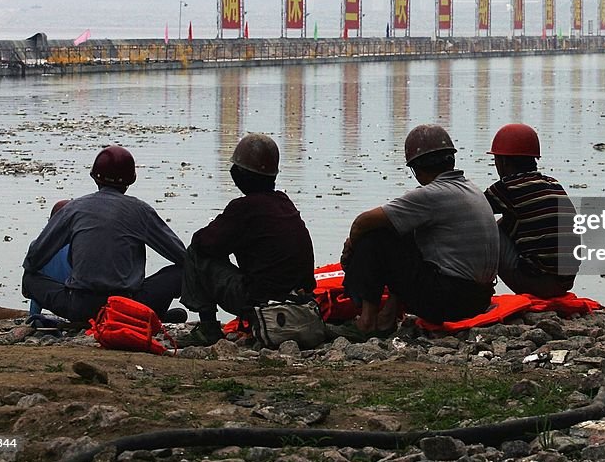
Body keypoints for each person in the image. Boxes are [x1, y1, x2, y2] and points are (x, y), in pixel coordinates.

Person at [337, 124, 498, 339]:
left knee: (375, 236)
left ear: (417, 168)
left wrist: (351, 250)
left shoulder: (432, 194)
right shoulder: (471, 189)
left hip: (449, 301)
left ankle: (366, 322)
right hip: (480, 299)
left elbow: (362, 222)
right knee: (404, 231)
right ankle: (387, 316)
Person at [22, 145, 186, 324]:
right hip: (128, 305)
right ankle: (150, 317)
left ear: (95, 177)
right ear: (130, 180)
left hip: (79, 307)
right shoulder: (141, 211)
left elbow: (33, 259)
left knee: (30, 278)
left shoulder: (74, 208)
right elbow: (183, 258)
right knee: (183, 272)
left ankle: (138, 317)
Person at [180, 133, 316, 346]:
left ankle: (207, 327)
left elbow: (204, 242)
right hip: (298, 298)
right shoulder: (283, 202)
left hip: (261, 299)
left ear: (241, 174)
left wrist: (223, 230)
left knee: (196, 252)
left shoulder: (244, 208)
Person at [484, 123, 579, 298]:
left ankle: (480, 290)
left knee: (485, 229)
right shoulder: (553, 184)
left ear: (503, 161)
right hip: (564, 283)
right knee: (509, 221)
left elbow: (474, 212)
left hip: (536, 284)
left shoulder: (507, 188)